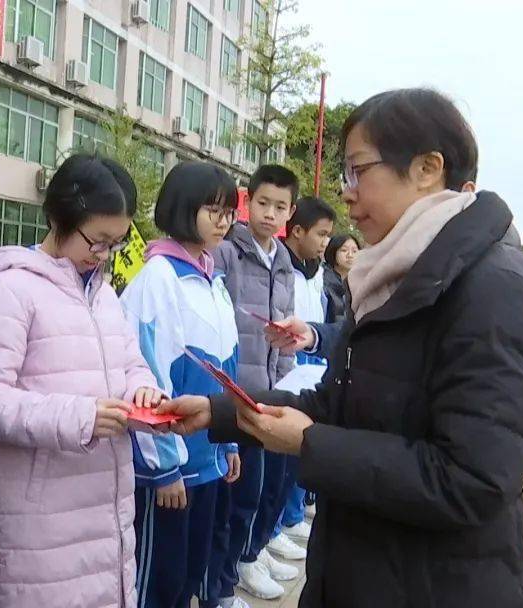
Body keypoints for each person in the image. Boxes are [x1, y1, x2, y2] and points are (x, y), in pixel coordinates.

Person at [158, 87, 523, 607]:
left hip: (435, 585)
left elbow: (473, 479)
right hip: (368, 567)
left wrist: (312, 443)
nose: (346, 193)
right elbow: (337, 405)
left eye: (357, 171)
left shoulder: (488, 288)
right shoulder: (400, 276)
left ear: (427, 169)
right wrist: (220, 411)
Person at [0, 154, 163, 607]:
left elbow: (132, 363)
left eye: (116, 244)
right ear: (59, 217)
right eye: (96, 241)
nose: (104, 256)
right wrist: (80, 417)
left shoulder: (103, 294)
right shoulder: (8, 290)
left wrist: (143, 391)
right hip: (38, 528)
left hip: (105, 514)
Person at [120, 162, 243, 608]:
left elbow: (228, 368)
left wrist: (230, 441)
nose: (223, 220)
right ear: (181, 207)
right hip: (173, 469)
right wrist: (162, 468)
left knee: (191, 572)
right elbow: (145, 379)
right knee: (159, 581)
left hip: (209, 460)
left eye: (228, 210)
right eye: (212, 209)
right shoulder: (158, 278)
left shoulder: (213, 279)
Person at [210, 164, 299, 604]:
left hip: (269, 397)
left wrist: (286, 388)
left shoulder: (283, 264)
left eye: (279, 206)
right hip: (234, 401)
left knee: (261, 491)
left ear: (290, 212)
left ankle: (247, 559)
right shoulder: (229, 253)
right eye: (262, 203)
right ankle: (223, 583)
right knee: (234, 500)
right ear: (249, 202)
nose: (269, 213)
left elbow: (286, 338)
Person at [267, 197, 336, 556]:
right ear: (297, 231)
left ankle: (287, 519)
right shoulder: (281, 270)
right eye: (321, 234)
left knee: (295, 460)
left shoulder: (316, 274)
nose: (326, 242)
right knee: (274, 464)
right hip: (281, 376)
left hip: (310, 374)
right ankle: (267, 535)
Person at [322, 234, 360, 325]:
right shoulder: (322, 280)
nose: (350, 255)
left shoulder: (359, 282)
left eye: (354, 251)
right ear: (333, 251)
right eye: (344, 250)